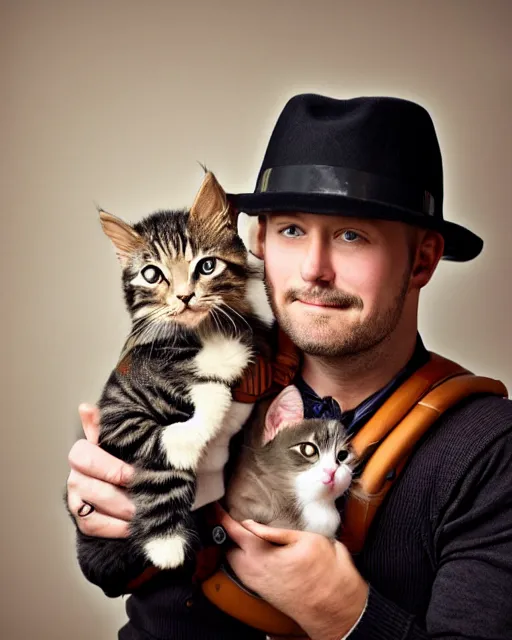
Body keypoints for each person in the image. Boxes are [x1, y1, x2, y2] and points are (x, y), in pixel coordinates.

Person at [67, 94, 512, 640]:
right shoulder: (189, 366)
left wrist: (347, 615)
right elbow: (109, 571)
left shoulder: (492, 447)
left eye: (352, 235)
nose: (314, 269)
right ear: (258, 241)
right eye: (292, 231)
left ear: (421, 260)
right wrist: (96, 514)